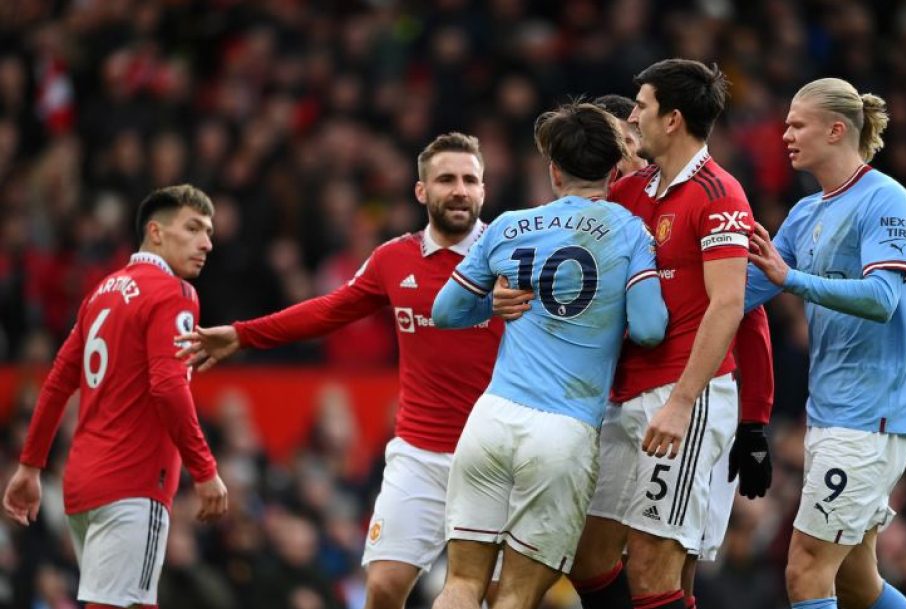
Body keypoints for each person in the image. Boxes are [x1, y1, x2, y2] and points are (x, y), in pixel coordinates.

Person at [174, 132, 504, 609]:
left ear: (483, 191)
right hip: (418, 456)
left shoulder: (511, 255)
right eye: (446, 179)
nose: (459, 190)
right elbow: (328, 310)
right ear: (421, 191)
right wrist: (244, 334)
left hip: (491, 456)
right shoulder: (394, 258)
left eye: (470, 180)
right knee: (384, 587)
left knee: (486, 593)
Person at [497, 60, 763, 609]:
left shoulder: (720, 194)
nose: (632, 116)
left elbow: (731, 303)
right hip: (622, 394)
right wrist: (506, 286)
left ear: (672, 119)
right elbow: (568, 245)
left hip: (683, 394)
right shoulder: (633, 191)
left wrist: (683, 402)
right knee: (591, 555)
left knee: (653, 565)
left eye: (641, 106)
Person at [430, 102, 667, 609]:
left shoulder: (509, 224)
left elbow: (446, 311)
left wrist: (491, 306)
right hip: (563, 431)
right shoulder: (629, 232)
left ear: (553, 169)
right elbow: (649, 329)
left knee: (461, 583)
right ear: (612, 169)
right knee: (517, 594)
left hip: (491, 417)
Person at [2, 184, 229, 609]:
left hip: (84, 485)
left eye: (209, 232)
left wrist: (30, 466)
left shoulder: (101, 293)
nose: (207, 243)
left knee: (129, 602)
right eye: (194, 228)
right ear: (156, 233)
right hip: (134, 481)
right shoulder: (175, 294)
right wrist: (205, 469)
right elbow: (167, 386)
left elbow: (56, 384)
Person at [745, 78, 906, 609]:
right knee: (856, 582)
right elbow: (747, 291)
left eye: (797, 123)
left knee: (805, 568)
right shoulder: (805, 214)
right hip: (832, 412)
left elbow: (881, 298)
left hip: (871, 416)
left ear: (836, 129)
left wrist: (791, 281)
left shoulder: (888, 200)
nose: (786, 134)